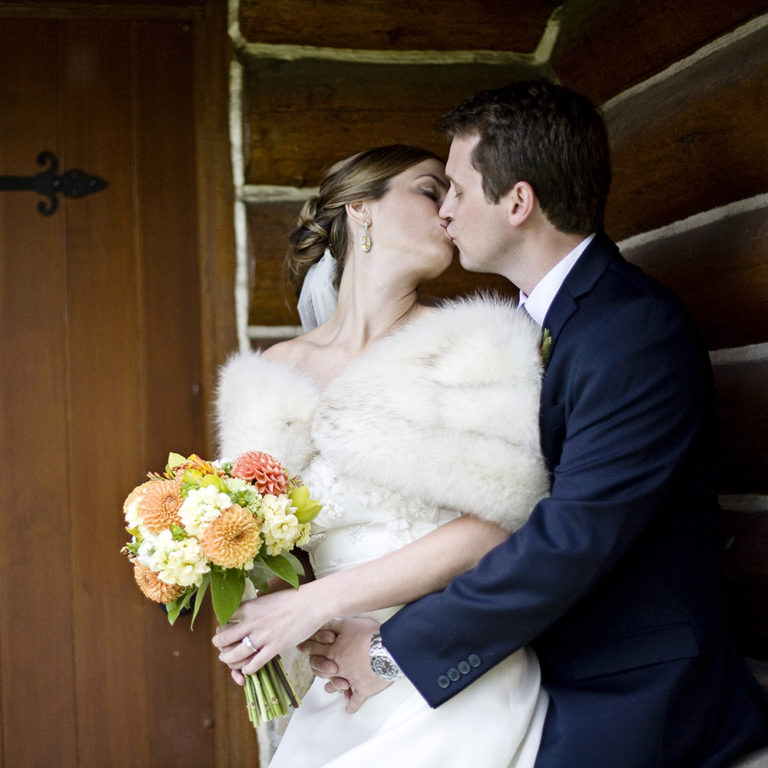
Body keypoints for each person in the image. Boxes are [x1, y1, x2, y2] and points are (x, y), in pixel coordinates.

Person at [300, 82, 768, 767]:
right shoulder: (529, 323)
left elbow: (574, 533)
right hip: (534, 660)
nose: (447, 213)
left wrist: (388, 652)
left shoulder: (630, 328)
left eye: (455, 190)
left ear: (518, 203)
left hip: (629, 686)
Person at [212, 144, 552, 766]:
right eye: (431, 190)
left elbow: (499, 527)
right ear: (360, 210)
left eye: (456, 194)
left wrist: (325, 609)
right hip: (341, 685)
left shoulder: (481, 342)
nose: (450, 210)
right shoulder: (269, 379)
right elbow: (263, 551)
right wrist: (261, 621)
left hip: (457, 664)